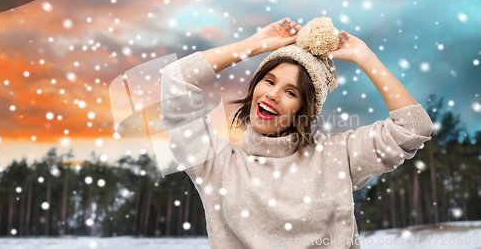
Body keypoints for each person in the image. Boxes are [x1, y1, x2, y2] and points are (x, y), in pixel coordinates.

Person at [160, 17, 434, 248]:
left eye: (290, 92)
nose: (272, 94)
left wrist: (365, 57)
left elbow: (412, 128)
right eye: (269, 81)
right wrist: (251, 46)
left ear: (304, 110)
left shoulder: (337, 157)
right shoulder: (216, 166)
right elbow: (176, 79)